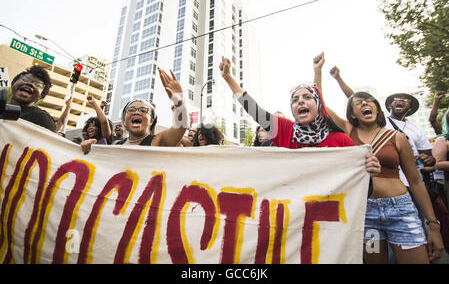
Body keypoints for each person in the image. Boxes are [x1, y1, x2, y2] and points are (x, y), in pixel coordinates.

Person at [316, 54, 444, 263]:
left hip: (401, 212)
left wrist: (433, 226)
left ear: (376, 108)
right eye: (358, 103)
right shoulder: (348, 131)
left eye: (369, 101)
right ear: (353, 114)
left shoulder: (398, 137)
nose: (365, 103)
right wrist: (318, 70)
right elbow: (320, 106)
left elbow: (415, 182)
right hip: (366, 215)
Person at [219, 55, 380, 173]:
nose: (300, 102)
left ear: (319, 105)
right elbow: (254, 110)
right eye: (295, 100)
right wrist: (228, 78)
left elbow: (359, 187)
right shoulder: (285, 131)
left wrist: (369, 171)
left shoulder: (341, 141)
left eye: (307, 97)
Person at [82, 68, 187, 153]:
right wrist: (89, 148)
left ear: (151, 120)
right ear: (124, 120)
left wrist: (179, 102)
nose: (136, 112)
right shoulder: (115, 146)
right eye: (131, 110)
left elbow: (180, 127)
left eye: (143, 110)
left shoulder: (157, 142)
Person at [10, 65, 55, 132]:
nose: (30, 84)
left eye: (37, 85)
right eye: (25, 79)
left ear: (40, 96)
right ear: (13, 83)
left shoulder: (41, 118)